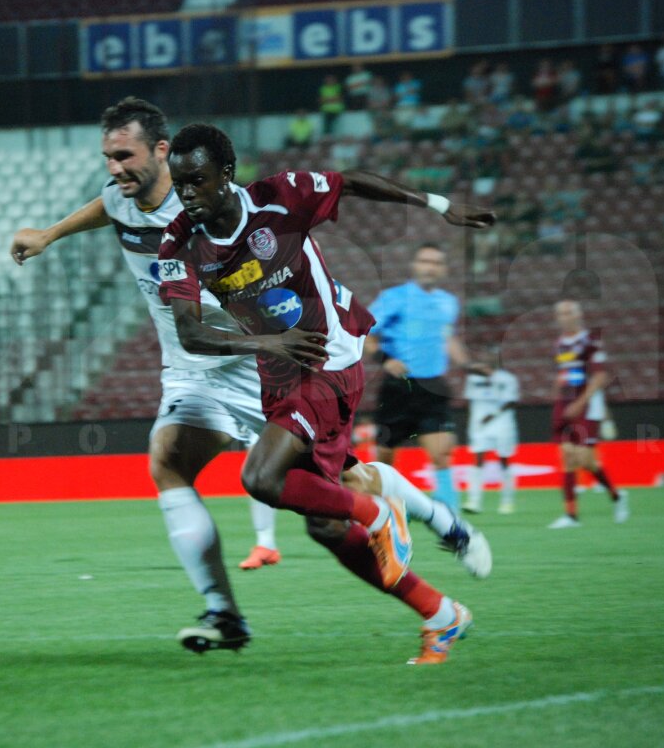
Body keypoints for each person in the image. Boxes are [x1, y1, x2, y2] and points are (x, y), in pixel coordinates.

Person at [158, 123, 495, 664]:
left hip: (329, 358)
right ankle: (440, 612)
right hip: (281, 368)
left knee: (261, 477)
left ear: (226, 173)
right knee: (325, 524)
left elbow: (353, 182)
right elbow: (191, 334)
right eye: (178, 184)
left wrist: (439, 204)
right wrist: (271, 341)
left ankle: (381, 516)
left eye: (196, 180)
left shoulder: (279, 198)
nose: (186, 193)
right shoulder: (179, 242)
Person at [10, 98, 282, 654]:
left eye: (124, 155)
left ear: (162, 150)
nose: (114, 168)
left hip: (254, 362)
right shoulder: (122, 199)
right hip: (190, 370)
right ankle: (224, 614)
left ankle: (427, 515)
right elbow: (107, 207)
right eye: (108, 157)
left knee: (326, 487)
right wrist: (49, 234)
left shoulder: (213, 206)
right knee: (166, 460)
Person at [366, 244, 486, 511]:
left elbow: (447, 337)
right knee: (385, 456)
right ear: (415, 265)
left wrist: (467, 363)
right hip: (399, 387)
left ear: (443, 269)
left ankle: (449, 517)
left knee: (442, 453)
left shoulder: (448, 302)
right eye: (424, 261)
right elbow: (364, 333)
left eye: (436, 262)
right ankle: (383, 510)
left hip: (433, 386)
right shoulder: (393, 297)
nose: (429, 267)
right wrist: (386, 360)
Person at [547, 300, 629, 529]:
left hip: (587, 406)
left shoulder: (591, 342)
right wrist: (558, 392)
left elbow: (600, 377)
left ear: (579, 315)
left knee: (585, 460)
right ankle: (571, 516)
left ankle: (617, 496)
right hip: (564, 404)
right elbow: (565, 373)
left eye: (569, 312)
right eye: (561, 313)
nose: (565, 316)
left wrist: (580, 403)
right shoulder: (559, 344)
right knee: (568, 459)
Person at [463, 348, 520, 515]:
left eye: (492, 356)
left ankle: (507, 501)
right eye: (486, 356)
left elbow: (511, 402)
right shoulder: (473, 378)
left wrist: (493, 414)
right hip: (479, 423)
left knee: (504, 459)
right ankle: (474, 501)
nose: (488, 359)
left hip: (502, 422)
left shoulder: (508, 379)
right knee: (477, 458)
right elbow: (470, 400)